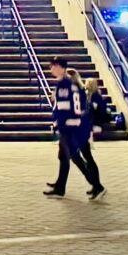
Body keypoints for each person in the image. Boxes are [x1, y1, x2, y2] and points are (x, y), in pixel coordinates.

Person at [41, 56, 104, 201]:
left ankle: (93, 185)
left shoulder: (64, 84)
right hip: (76, 125)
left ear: (61, 67)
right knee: (68, 157)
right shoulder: (71, 84)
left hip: (71, 127)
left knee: (74, 157)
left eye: (54, 66)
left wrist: (59, 122)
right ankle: (63, 186)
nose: (51, 69)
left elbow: (64, 108)